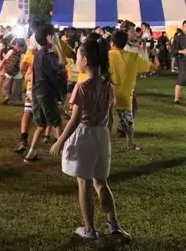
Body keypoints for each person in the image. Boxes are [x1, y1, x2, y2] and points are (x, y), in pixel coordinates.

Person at [49, 38, 131, 241]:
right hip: (101, 135)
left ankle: (89, 230)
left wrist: (60, 141)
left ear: (85, 60)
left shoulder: (82, 86)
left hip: (85, 136)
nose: (76, 60)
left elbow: (77, 119)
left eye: (77, 57)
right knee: (101, 182)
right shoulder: (107, 85)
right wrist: (105, 136)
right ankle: (114, 224)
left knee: (84, 185)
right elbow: (108, 117)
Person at [24, 24, 66, 163]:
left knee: (41, 125)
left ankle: (31, 153)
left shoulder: (37, 55)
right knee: (57, 122)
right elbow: (62, 62)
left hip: (37, 92)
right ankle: (63, 153)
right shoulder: (48, 55)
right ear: (49, 38)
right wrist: (56, 45)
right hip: (46, 92)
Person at [108, 31, 156, 150]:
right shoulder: (134, 57)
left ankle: (104, 143)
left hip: (108, 94)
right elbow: (151, 67)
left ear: (112, 43)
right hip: (125, 95)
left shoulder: (106, 56)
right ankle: (129, 144)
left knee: (107, 119)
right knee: (127, 121)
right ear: (125, 43)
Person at [171, 20, 186, 104]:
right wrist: (182, 51)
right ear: (183, 27)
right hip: (183, 61)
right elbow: (173, 50)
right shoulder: (178, 38)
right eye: (185, 26)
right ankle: (176, 99)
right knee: (181, 80)